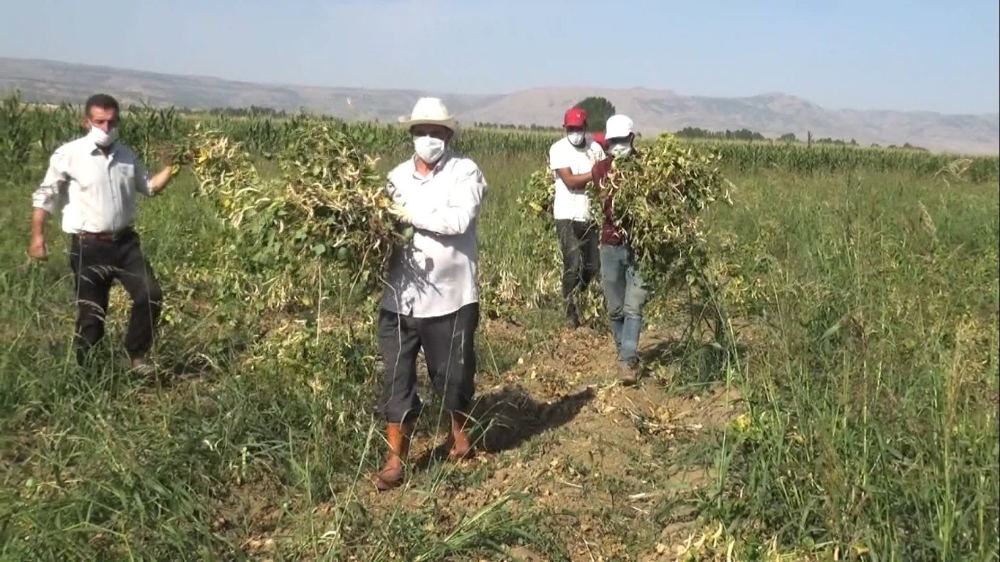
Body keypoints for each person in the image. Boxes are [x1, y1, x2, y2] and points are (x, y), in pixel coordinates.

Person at [373, 97, 488, 491]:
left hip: (451, 297)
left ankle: (459, 434)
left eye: (436, 133)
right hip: (399, 298)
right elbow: (381, 228)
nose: (428, 139)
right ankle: (395, 460)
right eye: (422, 132)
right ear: (411, 135)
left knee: (453, 377)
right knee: (397, 378)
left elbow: (458, 220)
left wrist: (407, 216)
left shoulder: (465, 172)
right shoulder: (395, 178)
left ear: (448, 136)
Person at [29, 93, 177, 373]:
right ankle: (86, 372)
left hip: (125, 244)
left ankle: (136, 356)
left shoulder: (126, 155)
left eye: (111, 122)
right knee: (92, 314)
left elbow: (150, 187)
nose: (106, 128)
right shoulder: (69, 155)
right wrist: (38, 237)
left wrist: (176, 165)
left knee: (150, 294)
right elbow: (45, 196)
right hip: (89, 246)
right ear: (86, 121)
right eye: (100, 122)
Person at [592, 114, 649, 385]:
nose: (617, 146)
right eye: (612, 142)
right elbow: (607, 202)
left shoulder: (647, 168)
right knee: (615, 308)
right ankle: (623, 352)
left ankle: (628, 359)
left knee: (633, 306)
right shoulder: (601, 169)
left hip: (640, 244)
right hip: (610, 243)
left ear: (632, 139)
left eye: (621, 141)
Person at [549, 107, 606, 328]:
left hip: (589, 214)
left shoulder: (595, 149)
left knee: (592, 265)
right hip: (566, 214)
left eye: (578, 128)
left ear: (585, 128)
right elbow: (571, 181)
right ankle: (569, 309)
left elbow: (603, 185)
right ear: (565, 128)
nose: (575, 132)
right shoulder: (558, 149)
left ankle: (580, 297)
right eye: (571, 128)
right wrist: (596, 173)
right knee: (572, 263)